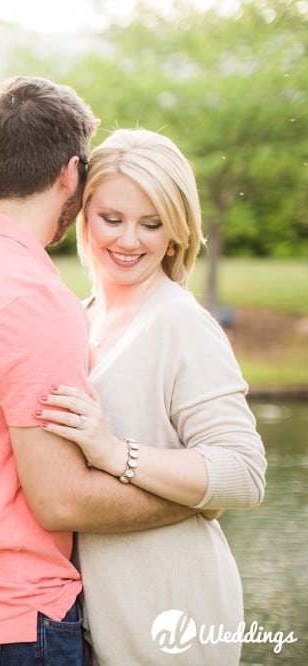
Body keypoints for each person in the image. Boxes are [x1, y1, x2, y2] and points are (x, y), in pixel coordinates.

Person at [0, 76, 207, 665]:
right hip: (8, 620)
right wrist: (198, 499)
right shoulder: (31, 298)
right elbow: (61, 502)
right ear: (70, 174)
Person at [35, 128, 266, 663]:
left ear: (177, 230)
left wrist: (118, 453)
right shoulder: (79, 316)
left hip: (174, 619)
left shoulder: (180, 323)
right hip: (94, 624)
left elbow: (244, 473)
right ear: (82, 213)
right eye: (111, 219)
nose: (129, 240)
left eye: (151, 223)